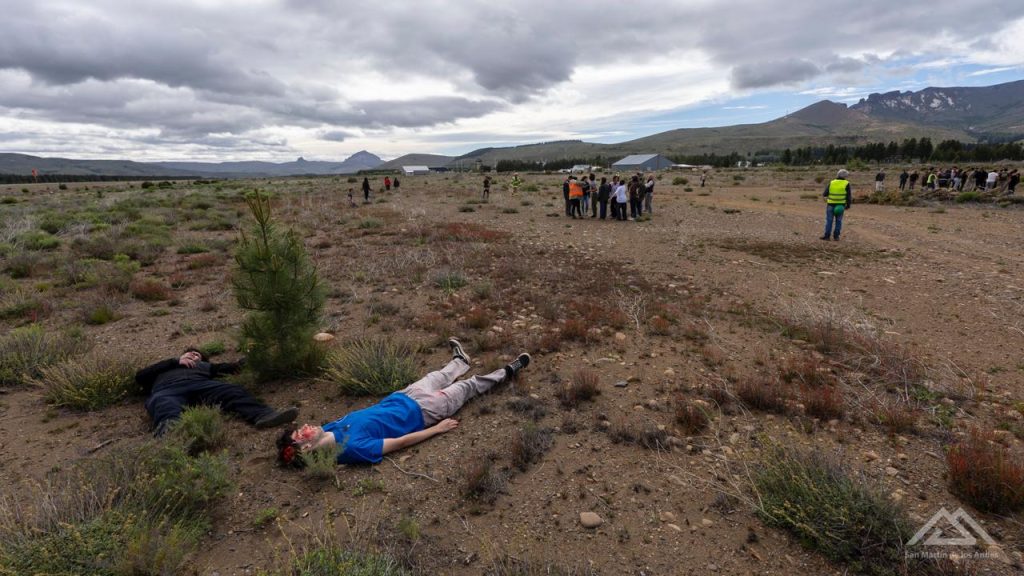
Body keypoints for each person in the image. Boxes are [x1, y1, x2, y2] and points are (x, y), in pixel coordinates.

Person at [277, 339, 531, 466]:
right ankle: (507, 371)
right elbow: (399, 443)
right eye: (301, 434)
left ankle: (460, 361)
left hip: (403, 396)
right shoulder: (352, 449)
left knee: (438, 376)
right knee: (467, 386)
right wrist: (436, 429)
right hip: (425, 412)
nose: (306, 426)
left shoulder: (329, 429)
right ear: (306, 448)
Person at [135, 348, 298, 436]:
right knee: (164, 404)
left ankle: (264, 415)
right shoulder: (166, 366)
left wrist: (252, 357)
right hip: (167, 390)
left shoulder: (206, 367)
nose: (194, 355)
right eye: (190, 353)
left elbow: (232, 368)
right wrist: (175, 361)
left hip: (202, 385)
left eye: (198, 355)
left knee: (232, 390)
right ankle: (170, 436)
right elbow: (140, 376)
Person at [821, 168, 851, 241]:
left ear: (838, 174)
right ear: (845, 176)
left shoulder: (832, 182)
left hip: (830, 204)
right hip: (840, 205)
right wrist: (848, 205)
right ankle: (836, 237)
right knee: (839, 221)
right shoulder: (846, 183)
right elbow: (848, 196)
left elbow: (825, 194)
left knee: (829, 220)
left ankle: (827, 236)